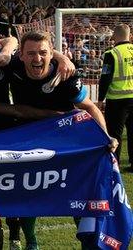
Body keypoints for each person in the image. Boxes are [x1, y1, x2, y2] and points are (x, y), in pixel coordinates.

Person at [9, 31, 117, 250]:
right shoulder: (13, 68)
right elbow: (2, 43)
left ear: (51, 54)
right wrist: (60, 55)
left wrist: (104, 136)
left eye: (43, 53)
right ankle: (31, 241)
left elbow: (90, 107)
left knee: (76, 190)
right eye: (30, 53)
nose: (37, 59)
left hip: (68, 143)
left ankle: (87, 240)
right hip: (31, 141)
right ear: (21, 55)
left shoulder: (66, 76)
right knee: (30, 191)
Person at [98, 24, 133, 171]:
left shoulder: (112, 53)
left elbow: (106, 78)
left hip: (118, 100)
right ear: (129, 36)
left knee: (115, 134)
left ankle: (115, 164)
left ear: (114, 36)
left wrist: (100, 100)